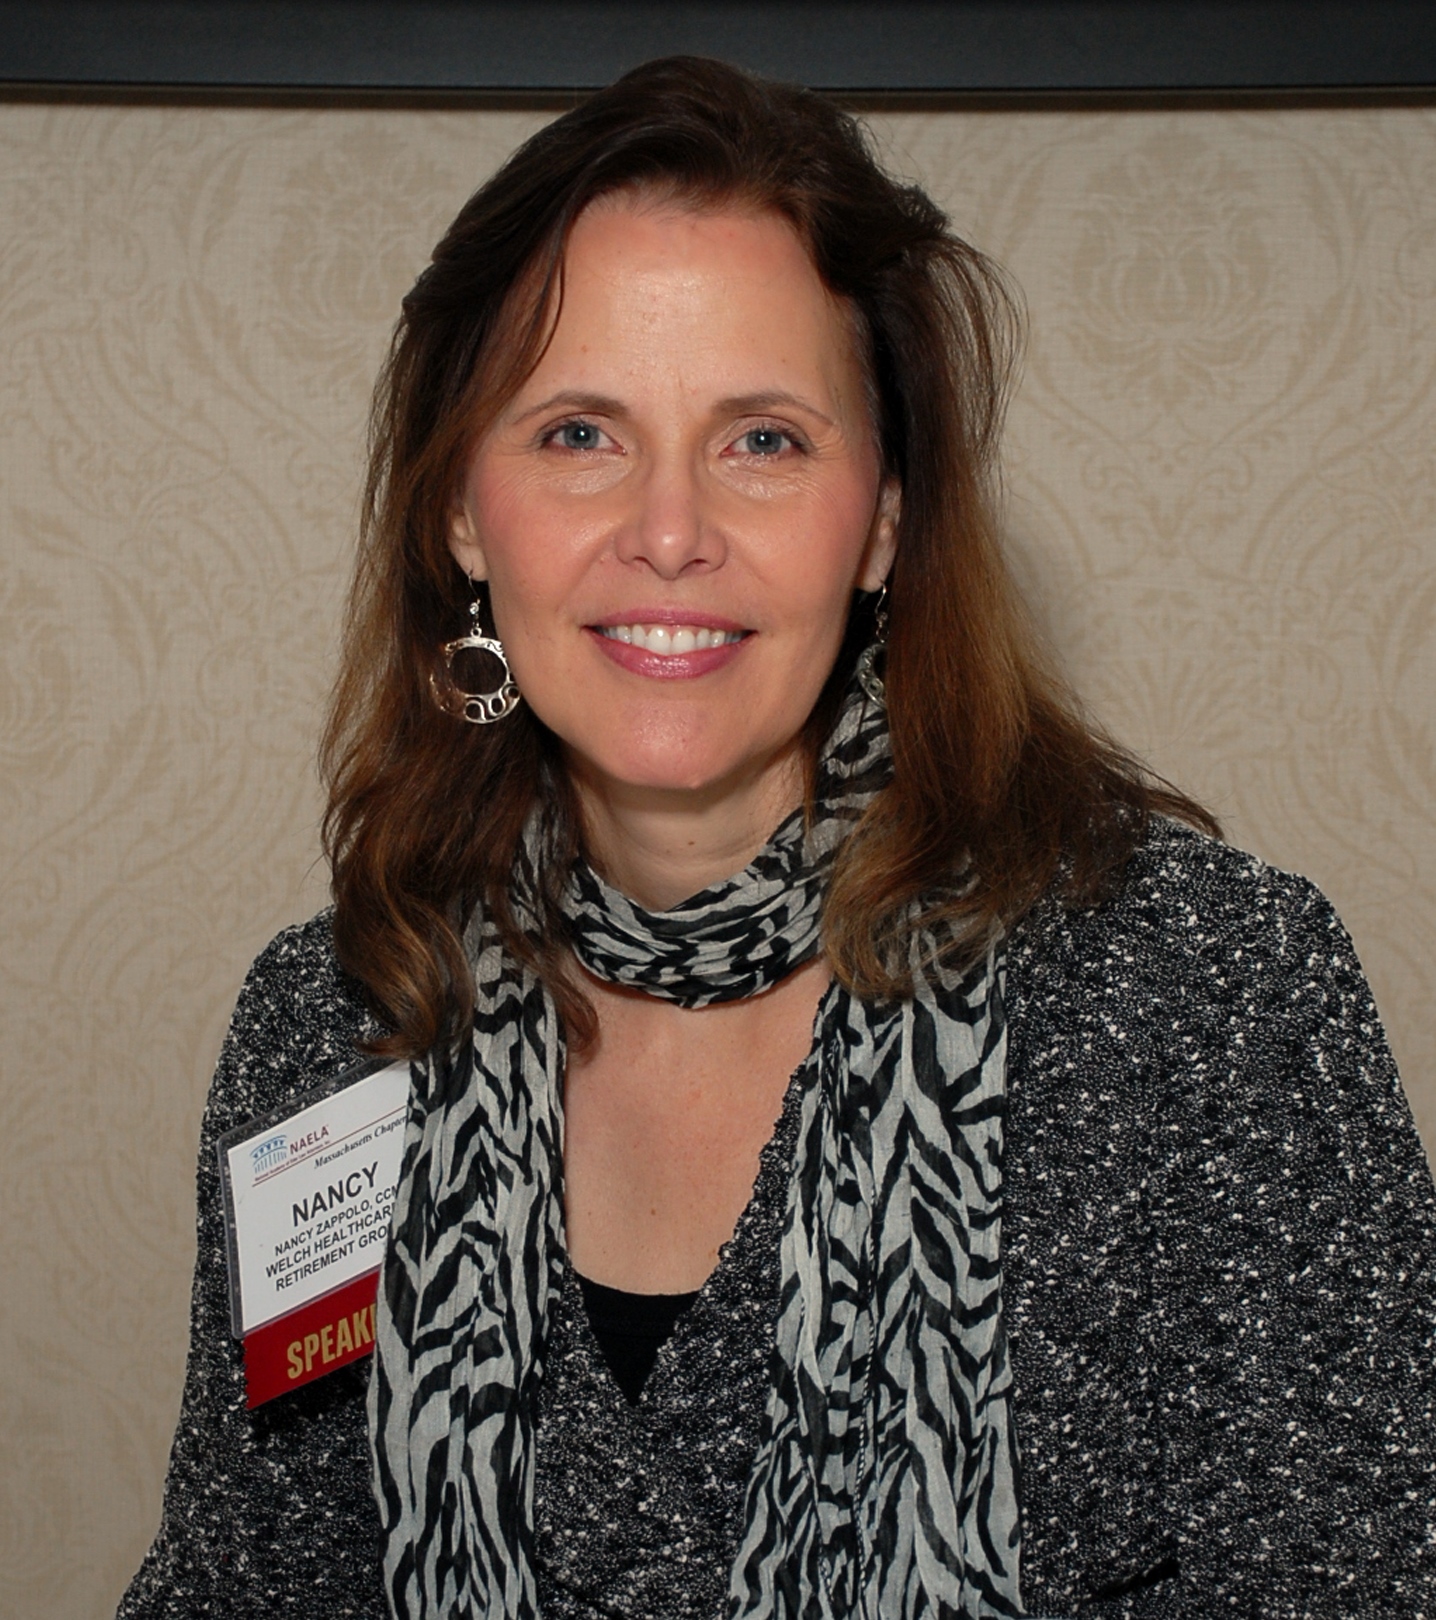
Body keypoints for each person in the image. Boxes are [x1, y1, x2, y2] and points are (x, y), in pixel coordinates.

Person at [119, 55, 1435, 1620]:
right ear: (461, 509)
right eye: (579, 433)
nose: (670, 533)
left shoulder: (1208, 999)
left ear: (883, 517)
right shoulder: (338, 1020)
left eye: (763, 441)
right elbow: (239, 1583)